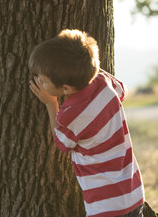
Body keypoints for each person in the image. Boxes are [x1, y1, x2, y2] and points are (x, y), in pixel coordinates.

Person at [28, 29, 145, 217]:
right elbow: (121, 90)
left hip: (105, 206)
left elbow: (62, 143)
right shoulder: (102, 81)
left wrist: (51, 103)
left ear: (65, 88)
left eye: (44, 79)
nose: (40, 81)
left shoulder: (71, 114)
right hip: (133, 193)